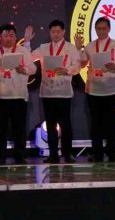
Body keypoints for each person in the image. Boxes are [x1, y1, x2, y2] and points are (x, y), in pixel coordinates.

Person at [24, 20, 81, 164]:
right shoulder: (43, 48)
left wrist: (67, 70)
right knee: (50, 125)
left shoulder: (70, 48)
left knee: (66, 125)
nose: (55, 34)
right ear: (49, 33)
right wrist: (27, 42)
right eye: (52, 32)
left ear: (63, 32)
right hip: (47, 92)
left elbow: (77, 66)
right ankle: (53, 154)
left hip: (64, 92)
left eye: (58, 31)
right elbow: (28, 58)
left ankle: (68, 154)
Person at [0, 24, 36, 165]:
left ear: (15, 37)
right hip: (0, 96)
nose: (8, 38)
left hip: (19, 95)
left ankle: (20, 156)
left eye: (11, 35)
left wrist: (23, 69)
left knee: (19, 128)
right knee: (0, 129)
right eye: (5, 35)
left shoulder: (23, 51)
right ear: (0, 37)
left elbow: (33, 68)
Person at [77, 17, 115, 163]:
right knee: (95, 124)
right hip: (93, 90)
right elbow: (82, 63)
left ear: (109, 29)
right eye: (98, 29)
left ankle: (113, 153)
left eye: (104, 28)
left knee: (112, 123)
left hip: (111, 90)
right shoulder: (90, 46)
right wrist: (79, 48)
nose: (101, 31)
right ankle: (97, 154)